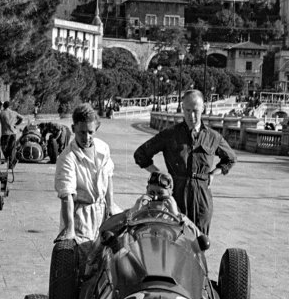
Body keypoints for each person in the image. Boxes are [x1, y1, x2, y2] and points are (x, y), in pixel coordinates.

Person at [133, 89, 236, 235]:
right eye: (187, 110)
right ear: (182, 108)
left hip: (202, 196)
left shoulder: (213, 137)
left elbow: (230, 158)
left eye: (195, 110)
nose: (191, 116)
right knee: (174, 237)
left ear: (203, 108)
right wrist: (159, 174)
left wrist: (213, 173)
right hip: (175, 194)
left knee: (200, 239)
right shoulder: (170, 134)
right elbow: (141, 154)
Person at [54, 103, 117, 265]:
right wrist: (69, 229)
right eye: (82, 132)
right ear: (73, 128)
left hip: (102, 210)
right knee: (85, 262)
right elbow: (67, 195)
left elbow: (109, 177)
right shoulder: (67, 158)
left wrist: (110, 206)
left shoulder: (103, 148)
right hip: (81, 216)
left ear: (97, 127)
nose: (87, 137)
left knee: (108, 259)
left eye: (90, 132)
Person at [0, 101, 24, 168]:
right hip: (13, 132)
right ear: (9, 106)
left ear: (3, 106)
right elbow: (22, 118)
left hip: (5, 133)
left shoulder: (1, 113)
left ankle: (10, 160)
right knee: (12, 148)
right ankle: (12, 162)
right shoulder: (14, 113)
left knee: (4, 148)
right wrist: (16, 124)